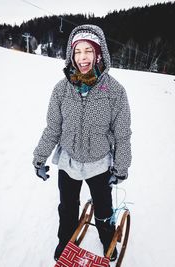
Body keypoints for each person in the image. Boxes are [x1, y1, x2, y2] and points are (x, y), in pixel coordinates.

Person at [32, 24, 132, 262]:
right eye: (78, 51)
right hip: (68, 162)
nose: (83, 57)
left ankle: (108, 239)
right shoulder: (61, 89)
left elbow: (122, 134)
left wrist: (121, 167)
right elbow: (53, 128)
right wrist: (39, 158)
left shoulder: (114, 91)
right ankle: (65, 241)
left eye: (89, 50)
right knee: (67, 209)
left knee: (104, 210)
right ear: (71, 54)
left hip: (99, 163)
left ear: (99, 53)